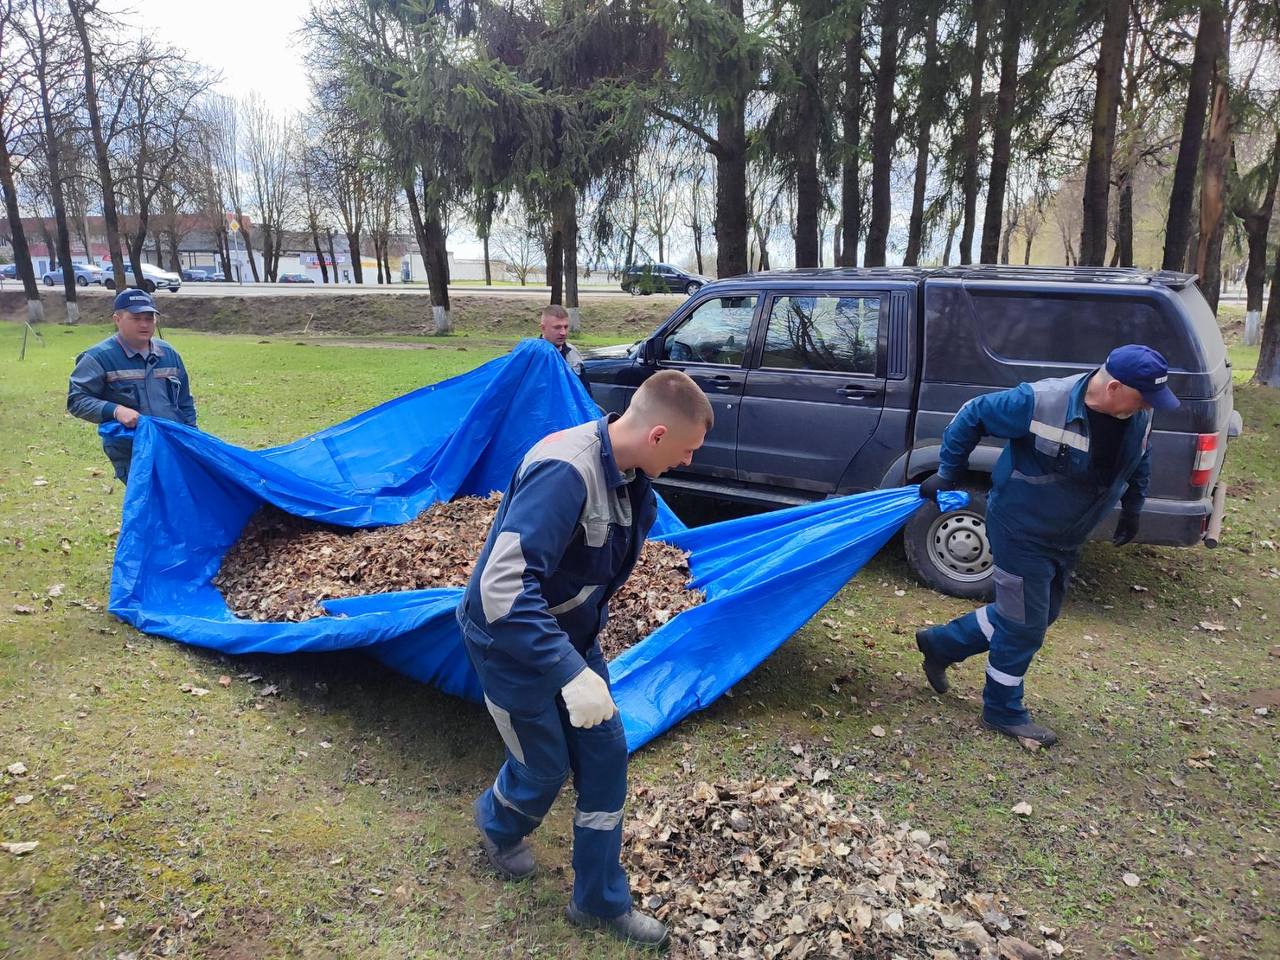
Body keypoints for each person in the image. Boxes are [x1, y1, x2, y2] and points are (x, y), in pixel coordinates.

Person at [457, 370, 713, 949]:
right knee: (543, 767)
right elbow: (501, 591)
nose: (689, 461)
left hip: (569, 638)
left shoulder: (633, 480)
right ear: (657, 435)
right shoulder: (565, 471)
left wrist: (579, 659)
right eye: (687, 449)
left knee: (605, 754)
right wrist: (569, 673)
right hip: (507, 640)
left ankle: (598, 900)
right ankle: (497, 823)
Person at [914, 344, 1179, 747]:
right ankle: (1002, 709)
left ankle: (941, 643)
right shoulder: (1040, 402)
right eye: (1143, 397)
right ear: (1114, 388)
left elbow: (1141, 455)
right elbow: (973, 413)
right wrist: (948, 473)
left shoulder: (1137, 411)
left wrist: (1133, 507)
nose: (1148, 406)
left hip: (1066, 534)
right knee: (1024, 625)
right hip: (1020, 529)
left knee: (1038, 613)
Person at [66, 288, 197, 482]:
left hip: (173, 444)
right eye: (136, 318)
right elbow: (77, 400)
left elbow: (184, 401)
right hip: (131, 450)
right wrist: (116, 410)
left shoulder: (168, 354)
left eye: (149, 318)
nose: (144, 324)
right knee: (150, 497)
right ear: (117, 319)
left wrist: (192, 436)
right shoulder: (98, 358)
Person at [539, 304, 587, 386]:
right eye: (557, 327)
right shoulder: (533, 354)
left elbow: (584, 389)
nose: (563, 333)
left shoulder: (573, 352)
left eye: (566, 327)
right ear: (543, 328)